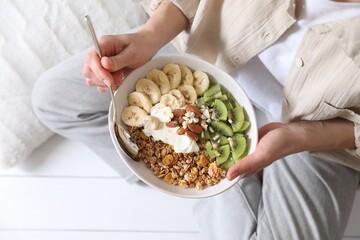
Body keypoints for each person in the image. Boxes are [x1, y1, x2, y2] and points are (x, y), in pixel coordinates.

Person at [32, 0, 360, 239]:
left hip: (318, 130)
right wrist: (150, 36)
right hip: (202, 62)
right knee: (53, 97)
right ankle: (197, 179)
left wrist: (301, 137)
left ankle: (209, 179)